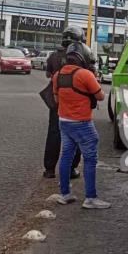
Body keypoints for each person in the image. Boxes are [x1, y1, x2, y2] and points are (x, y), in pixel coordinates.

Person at [52, 41, 109, 209]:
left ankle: (65, 194)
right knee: (90, 158)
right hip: (82, 123)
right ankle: (90, 198)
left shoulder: (58, 75)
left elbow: (56, 99)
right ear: (83, 57)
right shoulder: (85, 75)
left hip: (64, 121)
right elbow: (100, 97)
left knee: (66, 156)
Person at [43, 26, 84, 179]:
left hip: (56, 100)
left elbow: (48, 74)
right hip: (76, 103)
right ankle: (71, 169)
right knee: (76, 136)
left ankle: (49, 170)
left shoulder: (54, 56)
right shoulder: (82, 56)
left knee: (54, 134)